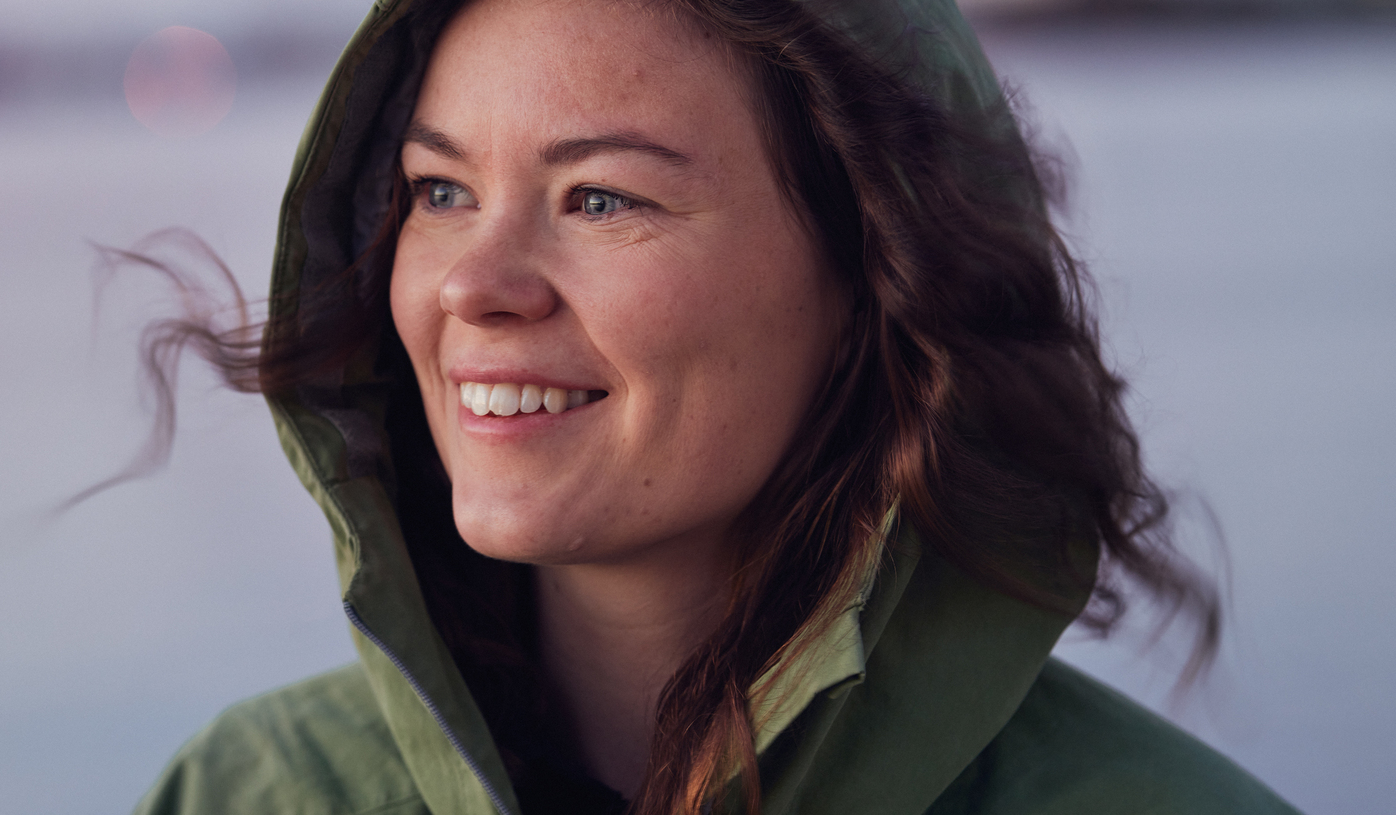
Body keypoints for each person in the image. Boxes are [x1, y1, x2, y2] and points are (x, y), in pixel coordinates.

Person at [131, 0, 1301, 812]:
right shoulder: (240, 791)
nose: (471, 286)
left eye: (598, 199)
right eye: (439, 190)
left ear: (873, 273)